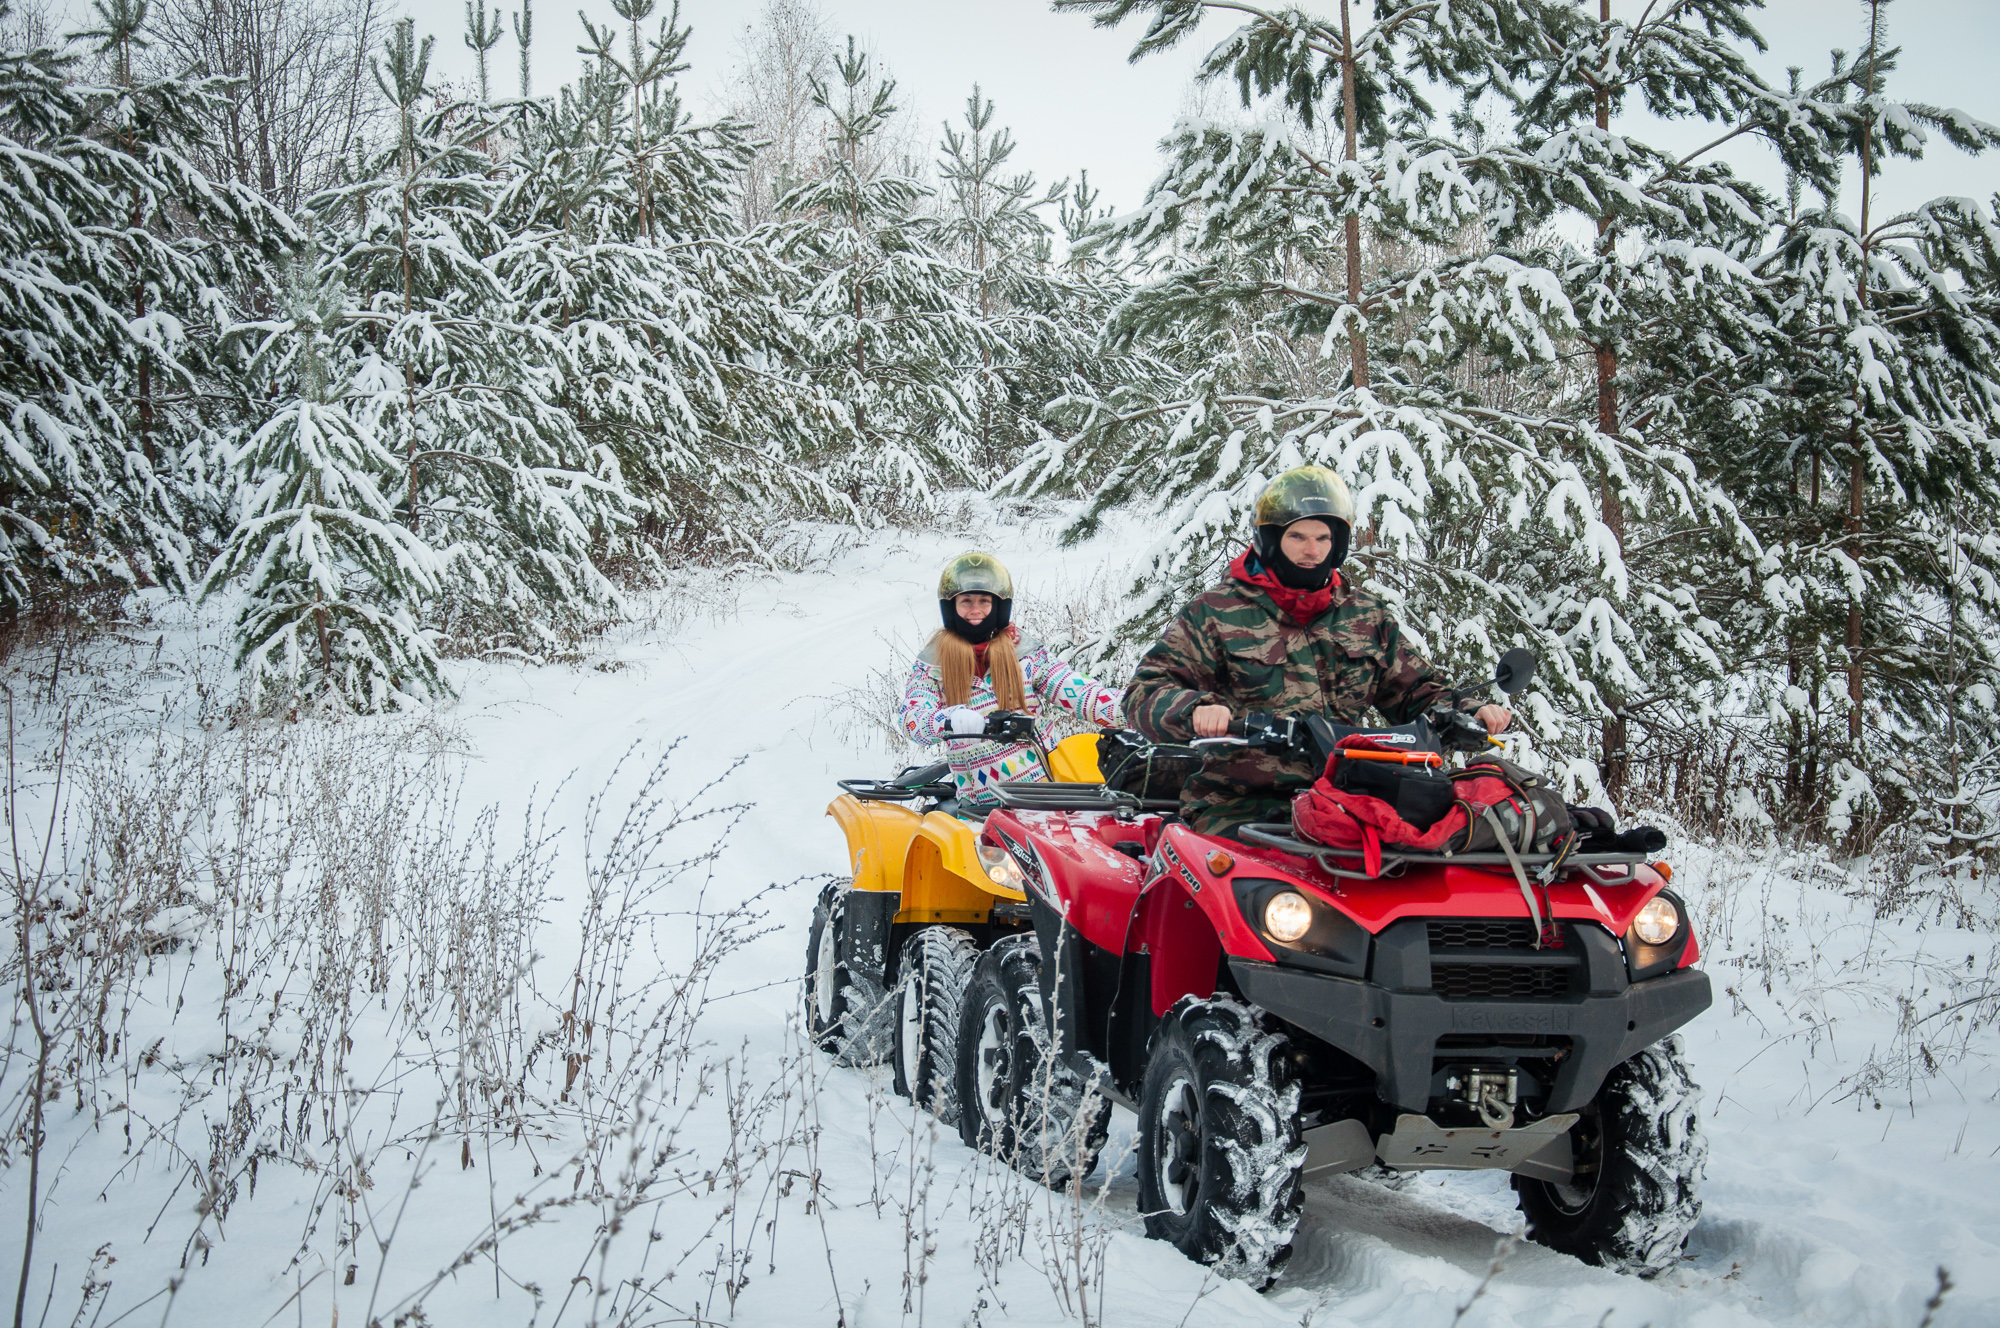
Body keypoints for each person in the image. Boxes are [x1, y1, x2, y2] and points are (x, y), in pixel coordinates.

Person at [1125, 465, 1510, 838]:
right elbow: (1146, 692)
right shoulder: (1216, 612)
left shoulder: (1364, 616)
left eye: (1323, 539)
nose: (1312, 550)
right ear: (1271, 539)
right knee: (1251, 893)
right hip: (1243, 803)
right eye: (1298, 537)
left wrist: (1467, 712)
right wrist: (1197, 709)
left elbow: (1416, 691)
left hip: (1351, 796)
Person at [901, 551, 1124, 810]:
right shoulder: (932, 665)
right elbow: (912, 718)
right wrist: (948, 719)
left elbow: (1081, 693)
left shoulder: (1026, 655)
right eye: (966, 601)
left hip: (1042, 801)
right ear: (951, 607)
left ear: (998, 606)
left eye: (984, 601)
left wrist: (1139, 708)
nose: (976, 610)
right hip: (979, 809)